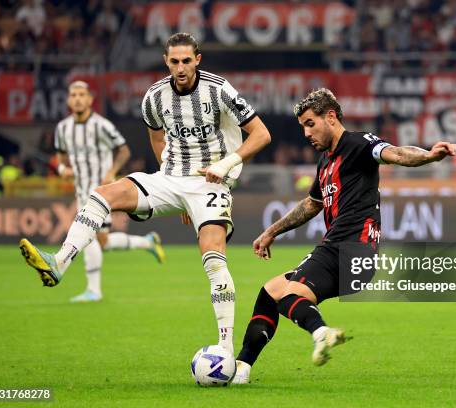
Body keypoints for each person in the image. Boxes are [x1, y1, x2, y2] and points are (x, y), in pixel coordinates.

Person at [19, 33, 271, 353]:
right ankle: (60, 262)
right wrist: (171, 189)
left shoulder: (219, 89)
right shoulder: (153, 97)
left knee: (213, 257)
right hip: (171, 179)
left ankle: (224, 348)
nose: (180, 68)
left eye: (186, 61)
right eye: (174, 61)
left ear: (198, 60)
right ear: (166, 61)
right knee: (102, 194)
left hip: (211, 182)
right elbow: (157, 140)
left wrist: (226, 165)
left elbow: (262, 134)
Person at [232, 88, 455, 383]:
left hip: (349, 247)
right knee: (271, 292)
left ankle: (321, 332)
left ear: (331, 117)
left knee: (289, 294)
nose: (306, 133)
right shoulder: (325, 162)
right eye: (303, 127)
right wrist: (272, 231)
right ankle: (242, 369)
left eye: (310, 123)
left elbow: (397, 153)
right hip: (347, 253)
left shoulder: (358, 144)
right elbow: (312, 204)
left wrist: (428, 156)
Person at [42, 80, 166, 303]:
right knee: (101, 241)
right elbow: (61, 158)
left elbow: (124, 150)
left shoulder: (102, 125)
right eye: (74, 95)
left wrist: (112, 171)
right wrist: (63, 169)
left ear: (90, 99)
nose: (78, 98)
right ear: (69, 100)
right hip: (82, 192)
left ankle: (93, 290)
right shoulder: (63, 128)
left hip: (103, 193)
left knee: (91, 239)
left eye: (82, 94)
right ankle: (146, 243)